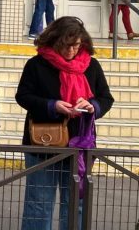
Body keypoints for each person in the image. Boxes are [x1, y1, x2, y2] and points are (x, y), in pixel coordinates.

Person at [16, 17, 114, 230]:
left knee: (76, 204)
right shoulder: (36, 64)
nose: (71, 51)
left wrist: (92, 106)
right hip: (44, 144)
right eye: (65, 46)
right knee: (39, 205)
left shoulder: (91, 65)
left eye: (76, 45)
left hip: (80, 146)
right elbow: (23, 96)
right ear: (54, 40)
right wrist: (53, 105)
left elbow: (106, 98)